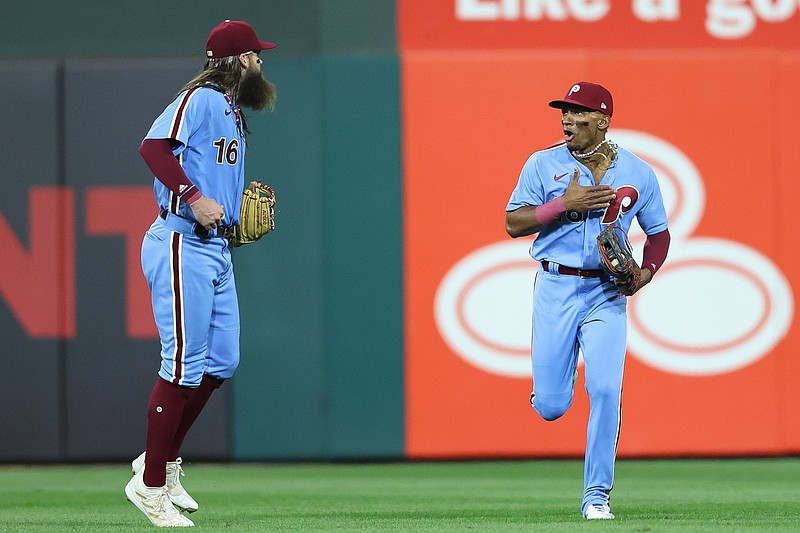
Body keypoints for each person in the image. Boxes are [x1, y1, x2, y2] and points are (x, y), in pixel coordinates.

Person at [125, 20, 277, 528]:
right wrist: (194, 197)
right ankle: (149, 487)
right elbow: (152, 147)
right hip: (179, 241)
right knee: (184, 363)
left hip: (214, 249)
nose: (260, 63)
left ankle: (161, 462)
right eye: (255, 55)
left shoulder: (232, 111)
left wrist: (229, 211)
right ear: (236, 60)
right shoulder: (205, 97)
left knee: (222, 361)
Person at [505, 81, 670, 520]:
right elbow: (513, 223)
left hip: (606, 292)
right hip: (556, 286)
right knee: (553, 407)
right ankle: (548, 391)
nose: (567, 119)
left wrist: (645, 274)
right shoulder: (542, 164)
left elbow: (659, 234)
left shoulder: (637, 171)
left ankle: (596, 496)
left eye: (578, 113)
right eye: (564, 112)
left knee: (605, 389)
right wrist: (562, 204)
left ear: (602, 120)